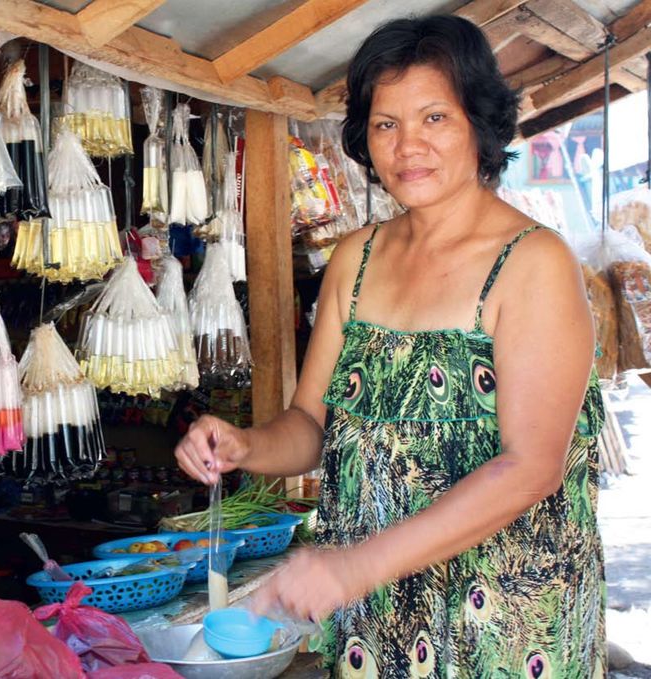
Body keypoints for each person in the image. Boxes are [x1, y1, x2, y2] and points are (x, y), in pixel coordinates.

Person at [174, 15, 606, 677]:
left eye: (434, 118)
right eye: (386, 124)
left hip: (507, 628)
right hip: (377, 621)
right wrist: (244, 443)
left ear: (480, 123)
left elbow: (532, 466)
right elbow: (311, 422)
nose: (409, 146)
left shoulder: (533, 263)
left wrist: (356, 565)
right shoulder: (358, 258)